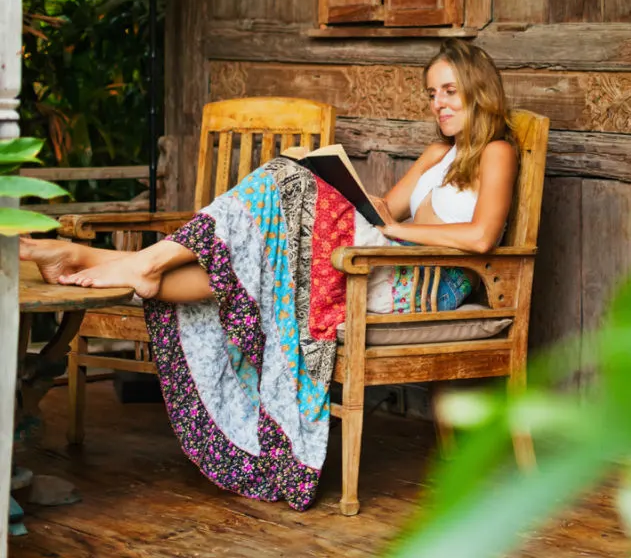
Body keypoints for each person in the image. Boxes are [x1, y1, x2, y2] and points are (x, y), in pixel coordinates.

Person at [20, 38, 518, 510]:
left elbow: (480, 238)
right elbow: (386, 208)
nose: (439, 104)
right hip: (381, 254)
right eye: (432, 94)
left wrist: (397, 230)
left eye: (450, 92)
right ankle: (122, 266)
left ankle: (117, 259)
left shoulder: (496, 150)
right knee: (276, 211)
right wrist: (350, 193)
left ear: (479, 91)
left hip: (416, 281)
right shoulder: (437, 154)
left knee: (282, 180)